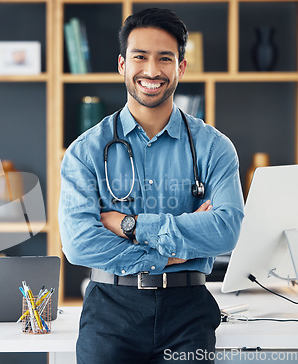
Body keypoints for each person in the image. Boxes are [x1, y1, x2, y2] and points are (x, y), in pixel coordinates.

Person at [58, 8, 245, 364]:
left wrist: (129, 225)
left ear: (181, 67)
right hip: (110, 312)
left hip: (188, 313)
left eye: (165, 58)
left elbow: (226, 230)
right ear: (122, 65)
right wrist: (173, 253)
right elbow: (79, 243)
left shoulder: (214, 147)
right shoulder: (86, 151)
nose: (152, 70)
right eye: (140, 57)